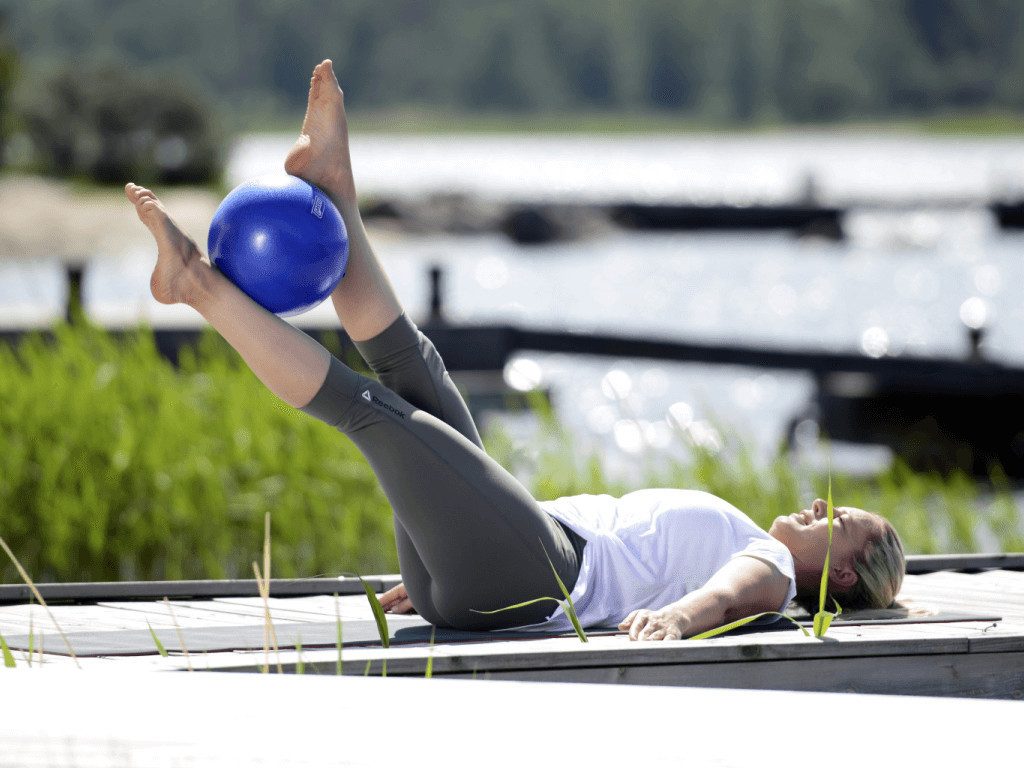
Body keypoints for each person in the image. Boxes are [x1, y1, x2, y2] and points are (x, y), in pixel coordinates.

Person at [124, 60, 905, 642]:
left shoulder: (767, 567)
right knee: (415, 370)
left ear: (842, 573)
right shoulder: (754, 533)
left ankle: (195, 283)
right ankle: (336, 188)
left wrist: (674, 620)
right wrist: (448, 540)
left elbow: (727, 599)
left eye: (842, 521)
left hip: (536, 576)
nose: (820, 505)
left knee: (376, 412)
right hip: (505, 561)